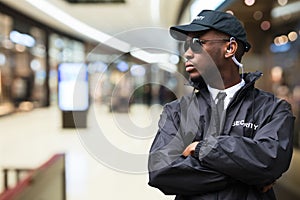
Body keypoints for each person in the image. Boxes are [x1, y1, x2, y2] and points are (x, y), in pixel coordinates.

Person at [148, 9, 294, 200]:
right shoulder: (177, 111)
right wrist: (248, 175)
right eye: (186, 46)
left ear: (230, 48)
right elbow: (160, 170)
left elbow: (270, 161)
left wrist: (203, 148)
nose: (188, 54)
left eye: (198, 43)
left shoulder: (272, 109)